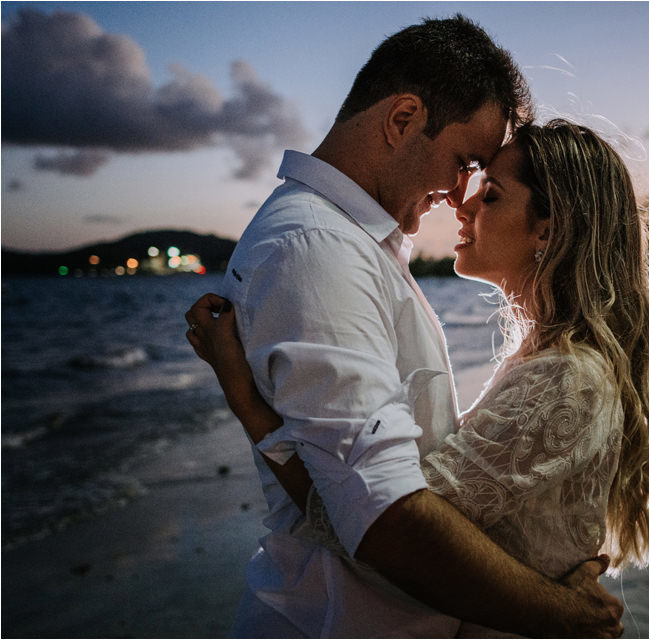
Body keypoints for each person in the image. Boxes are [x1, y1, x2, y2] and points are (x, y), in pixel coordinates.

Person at [184, 16, 623, 638]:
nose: (459, 194)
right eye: (465, 162)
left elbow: (383, 499)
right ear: (402, 120)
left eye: (485, 183)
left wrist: (248, 403)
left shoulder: (354, 246)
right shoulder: (318, 249)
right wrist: (565, 614)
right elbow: (382, 517)